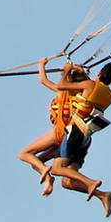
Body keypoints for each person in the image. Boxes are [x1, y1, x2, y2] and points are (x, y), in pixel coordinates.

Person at [43, 61, 111, 218]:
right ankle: (102, 195)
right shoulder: (109, 95)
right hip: (86, 138)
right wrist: (78, 72)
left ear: (98, 73)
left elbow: (62, 86)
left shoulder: (90, 85)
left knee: (57, 169)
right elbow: (82, 93)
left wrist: (66, 70)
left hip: (75, 132)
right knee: (67, 182)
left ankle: (91, 183)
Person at [17, 60, 90, 194]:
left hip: (60, 132)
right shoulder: (82, 92)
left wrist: (41, 64)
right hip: (67, 136)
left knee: (24, 154)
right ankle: (48, 179)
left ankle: (46, 173)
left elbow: (43, 80)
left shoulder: (62, 91)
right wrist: (73, 69)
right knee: (37, 162)